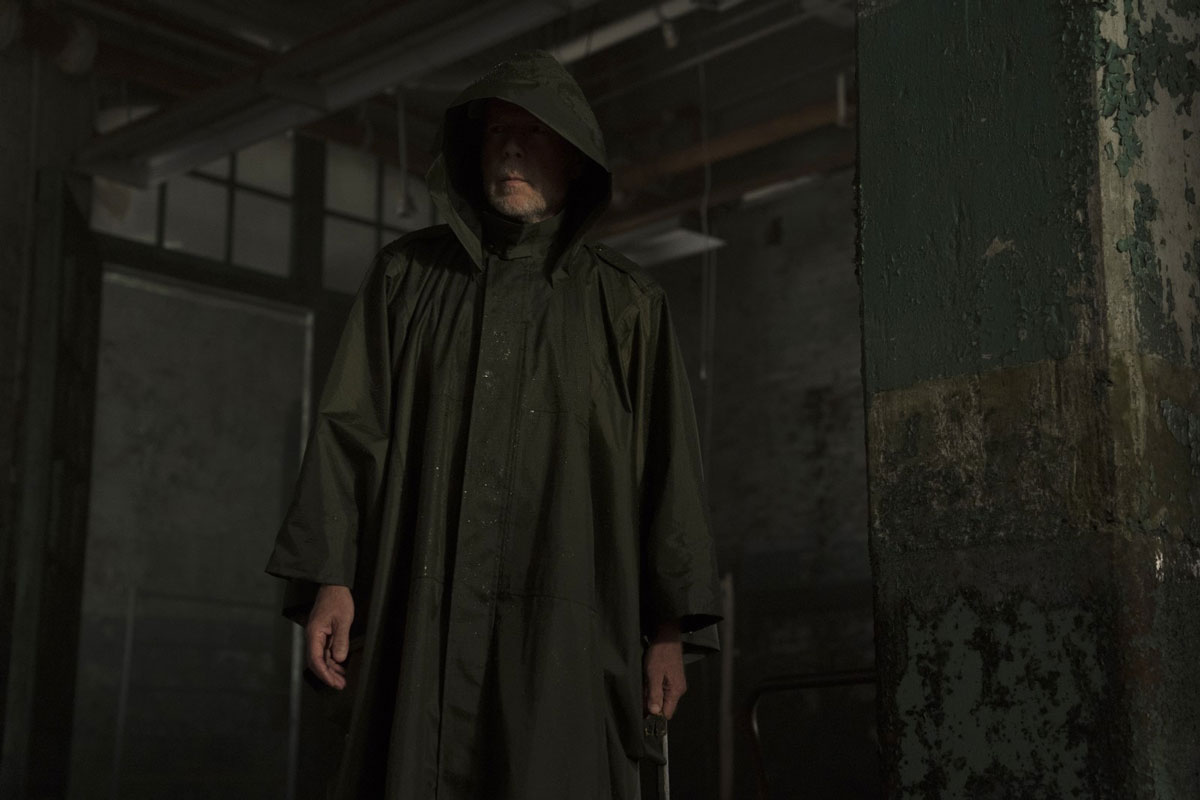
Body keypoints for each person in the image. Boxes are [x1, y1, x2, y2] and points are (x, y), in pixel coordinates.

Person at [266, 49, 721, 800]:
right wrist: (332, 579)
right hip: (423, 624)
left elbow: (667, 474)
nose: (512, 149)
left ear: (574, 159)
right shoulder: (408, 280)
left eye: (534, 133)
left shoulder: (626, 307)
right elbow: (351, 430)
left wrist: (669, 632)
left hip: (568, 633)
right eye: (498, 132)